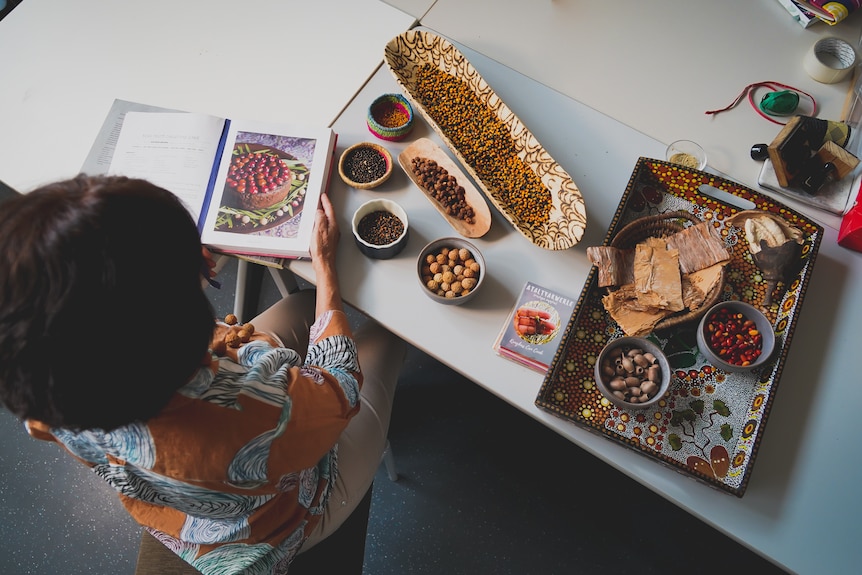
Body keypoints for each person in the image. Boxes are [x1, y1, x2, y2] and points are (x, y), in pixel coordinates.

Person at [0, 174, 407, 574]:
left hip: (179, 513)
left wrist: (171, 278)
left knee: (302, 306)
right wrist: (326, 274)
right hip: (279, 520)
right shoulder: (254, 418)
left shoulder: (44, 389)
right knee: (387, 336)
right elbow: (340, 390)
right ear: (179, 328)